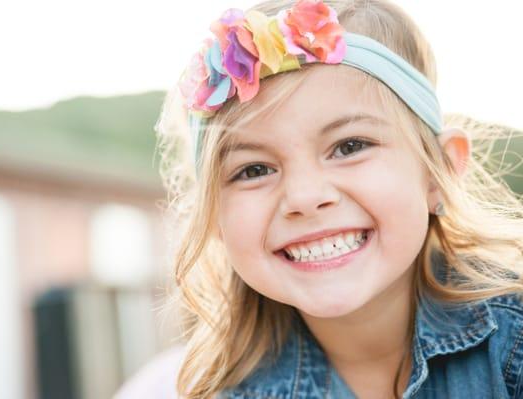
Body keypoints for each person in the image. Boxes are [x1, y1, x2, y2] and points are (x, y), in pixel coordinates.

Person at [155, 0, 523, 398]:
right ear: (215, 218)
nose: (305, 197)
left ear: (441, 170)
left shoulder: (512, 340)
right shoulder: (229, 390)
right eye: (254, 170)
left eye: (349, 146)